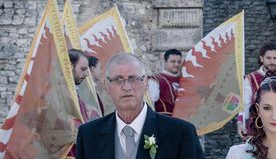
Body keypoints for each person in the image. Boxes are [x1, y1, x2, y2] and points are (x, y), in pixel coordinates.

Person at [75, 52, 205, 159]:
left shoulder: (180, 134)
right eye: (118, 80)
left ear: (146, 83)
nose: (127, 87)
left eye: (133, 79)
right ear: (106, 86)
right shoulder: (88, 135)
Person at [148, 48, 183, 116]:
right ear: (165, 62)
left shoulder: (185, 80)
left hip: (185, 120)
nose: (176, 64)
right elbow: (149, 104)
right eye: (173, 61)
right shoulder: (156, 80)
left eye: (179, 62)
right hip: (164, 120)